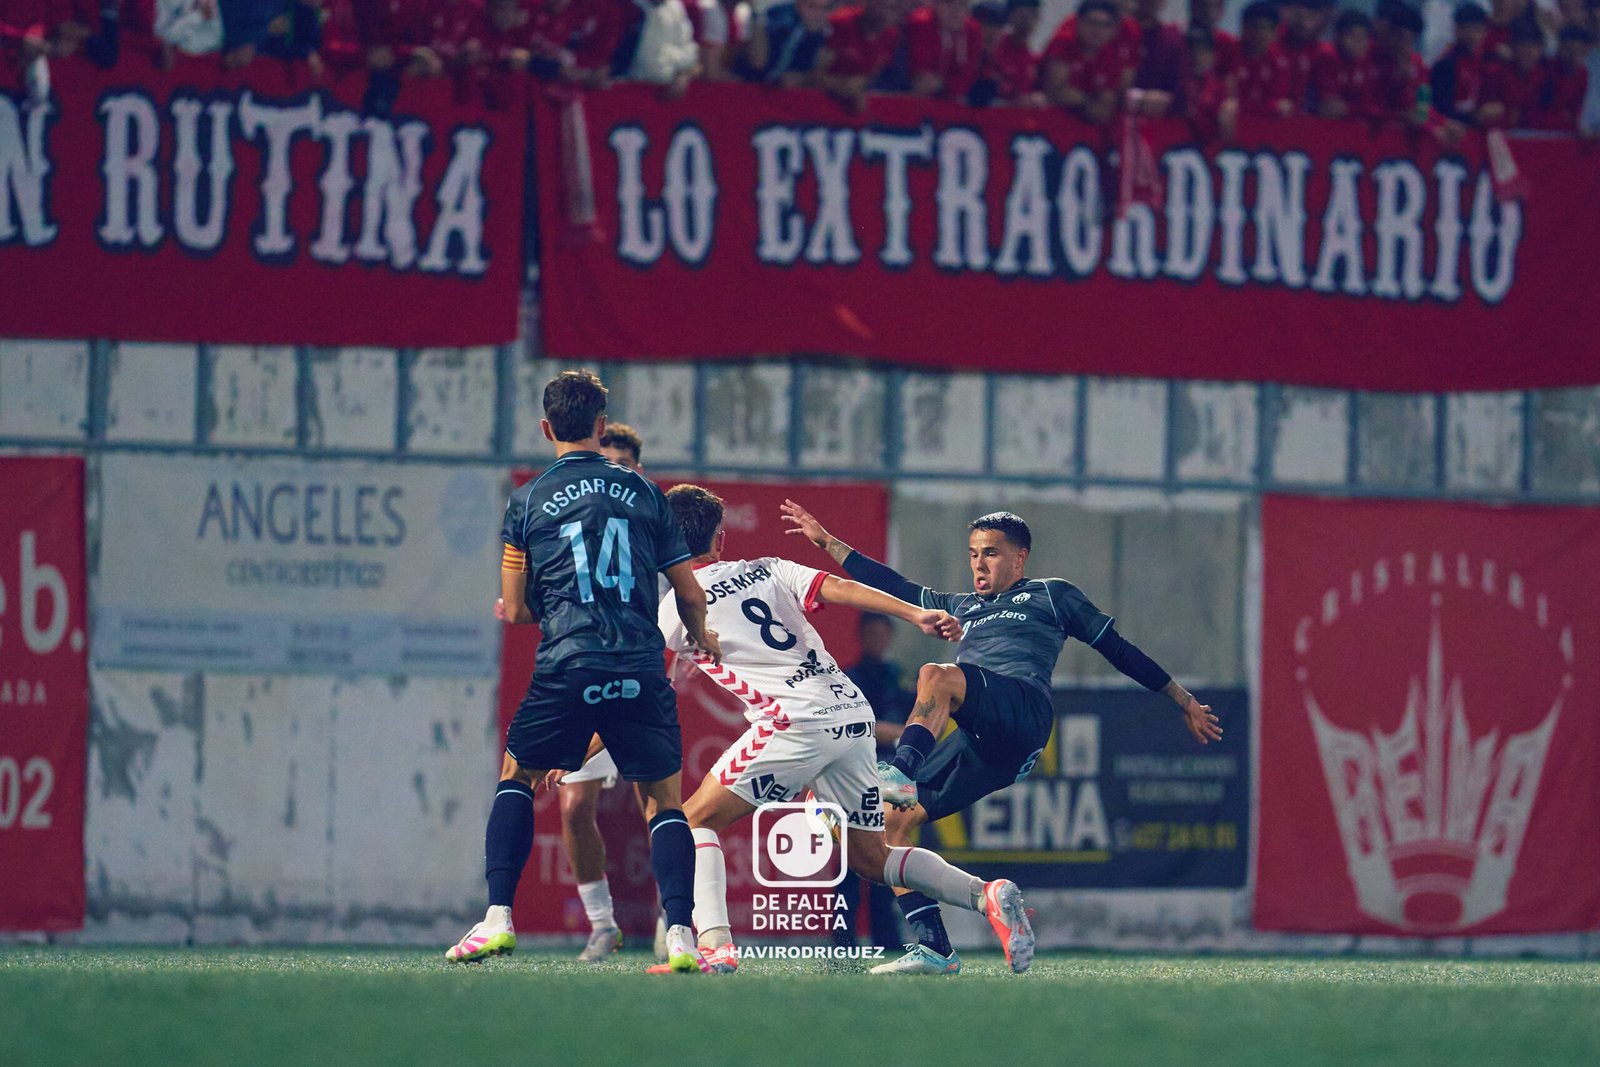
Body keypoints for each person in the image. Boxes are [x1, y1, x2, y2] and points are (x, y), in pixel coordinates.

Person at [781, 501, 1220, 975]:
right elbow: (897, 586)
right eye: (973, 554)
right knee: (892, 825)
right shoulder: (964, 607)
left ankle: (901, 772)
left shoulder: (1051, 595)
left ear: (1019, 559)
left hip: (1024, 713)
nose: (978, 563)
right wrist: (828, 542)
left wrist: (1181, 698)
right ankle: (935, 947)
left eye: (990, 553)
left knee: (936, 674)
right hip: (986, 743)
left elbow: (1118, 650)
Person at [650, 485, 1037, 975]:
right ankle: (987, 896)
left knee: (690, 823)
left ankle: (715, 948)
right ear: (720, 540)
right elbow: (841, 588)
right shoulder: (768, 567)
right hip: (852, 714)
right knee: (872, 860)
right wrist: (915, 612)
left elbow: (647, 683)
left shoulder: (671, 610)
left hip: (793, 721)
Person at [446, 371, 722, 974]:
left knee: (517, 777)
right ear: (602, 427)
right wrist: (702, 638)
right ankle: (680, 934)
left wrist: (565, 608)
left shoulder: (527, 499)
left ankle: (497, 919)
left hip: (568, 660)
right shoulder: (647, 493)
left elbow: (516, 608)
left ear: (547, 428)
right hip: (639, 662)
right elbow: (689, 591)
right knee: (665, 803)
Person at [544, 421, 653, 963]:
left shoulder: (653, 524)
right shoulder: (577, 531)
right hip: (586, 678)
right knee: (573, 805)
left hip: (640, 680)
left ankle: (674, 919)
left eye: (624, 468)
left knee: (660, 807)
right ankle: (603, 924)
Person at [838, 611, 915, 949]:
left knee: (889, 862)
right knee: (849, 867)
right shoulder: (849, 677)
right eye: (873, 632)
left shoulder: (897, 676)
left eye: (884, 632)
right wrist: (897, 734)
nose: (878, 639)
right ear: (862, 635)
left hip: (893, 780)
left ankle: (890, 941)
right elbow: (858, 728)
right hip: (854, 778)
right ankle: (843, 942)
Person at [1430, 3, 1491, 125]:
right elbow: (1441, 110)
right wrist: (1475, 118)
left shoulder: (1488, 62)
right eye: (1466, 29)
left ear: (1485, 32)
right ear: (1456, 29)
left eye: (1476, 29)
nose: (1471, 35)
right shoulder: (1445, 65)